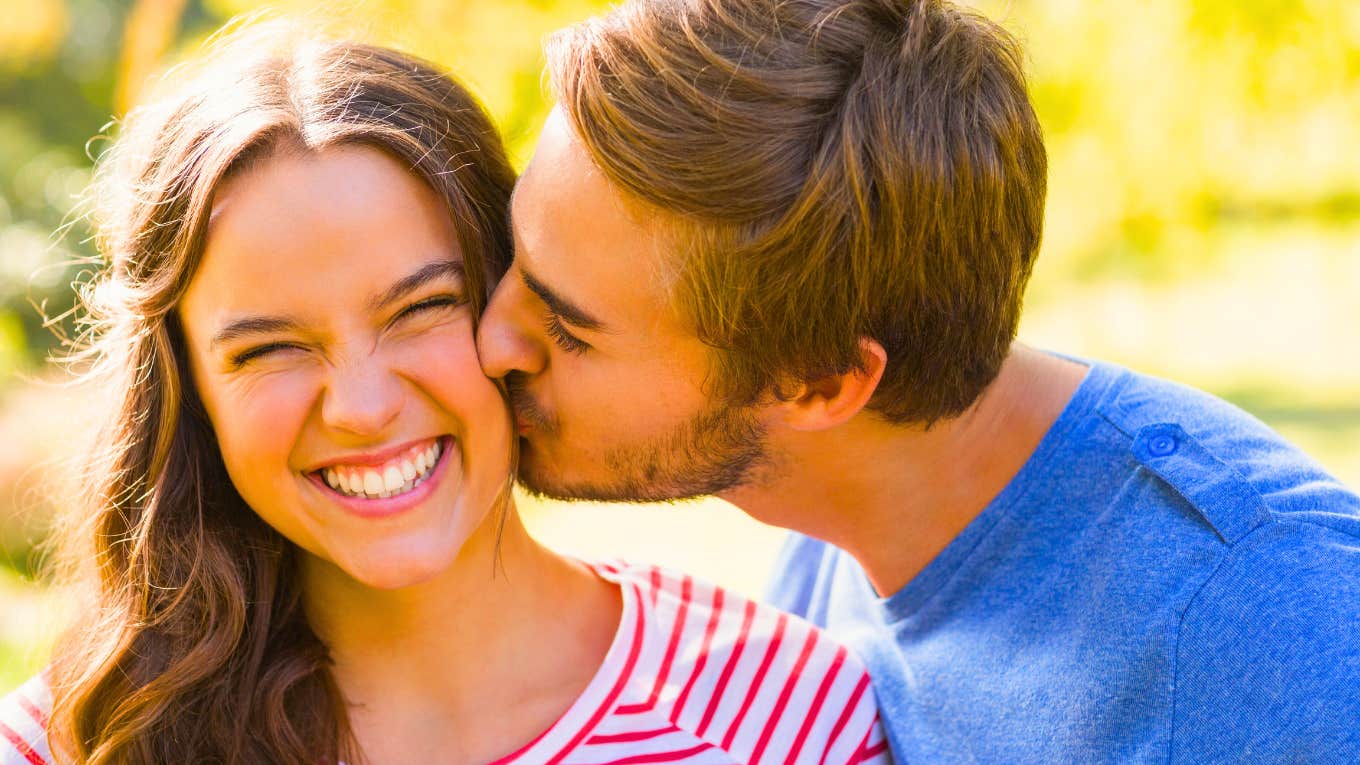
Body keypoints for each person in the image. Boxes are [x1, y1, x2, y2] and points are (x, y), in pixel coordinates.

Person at [474, 0, 1360, 762]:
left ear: (822, 385)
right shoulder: (834, 516)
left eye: (567, 326)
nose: (489, 341)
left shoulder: (1275, 624)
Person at [0, 23, 890, 765]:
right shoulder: (74, 740)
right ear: (191, 389)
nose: (359, 405)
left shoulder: (784, 715)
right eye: (270, 348)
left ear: (514, 302)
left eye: (421, 309)